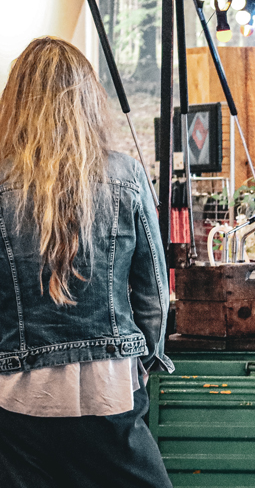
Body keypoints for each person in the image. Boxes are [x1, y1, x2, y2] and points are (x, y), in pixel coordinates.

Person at [0, 38, 173, 487]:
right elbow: (154, 291)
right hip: (109, 385)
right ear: (87, 101)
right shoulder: (125, 175)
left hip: (16, 395)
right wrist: (141, 359)